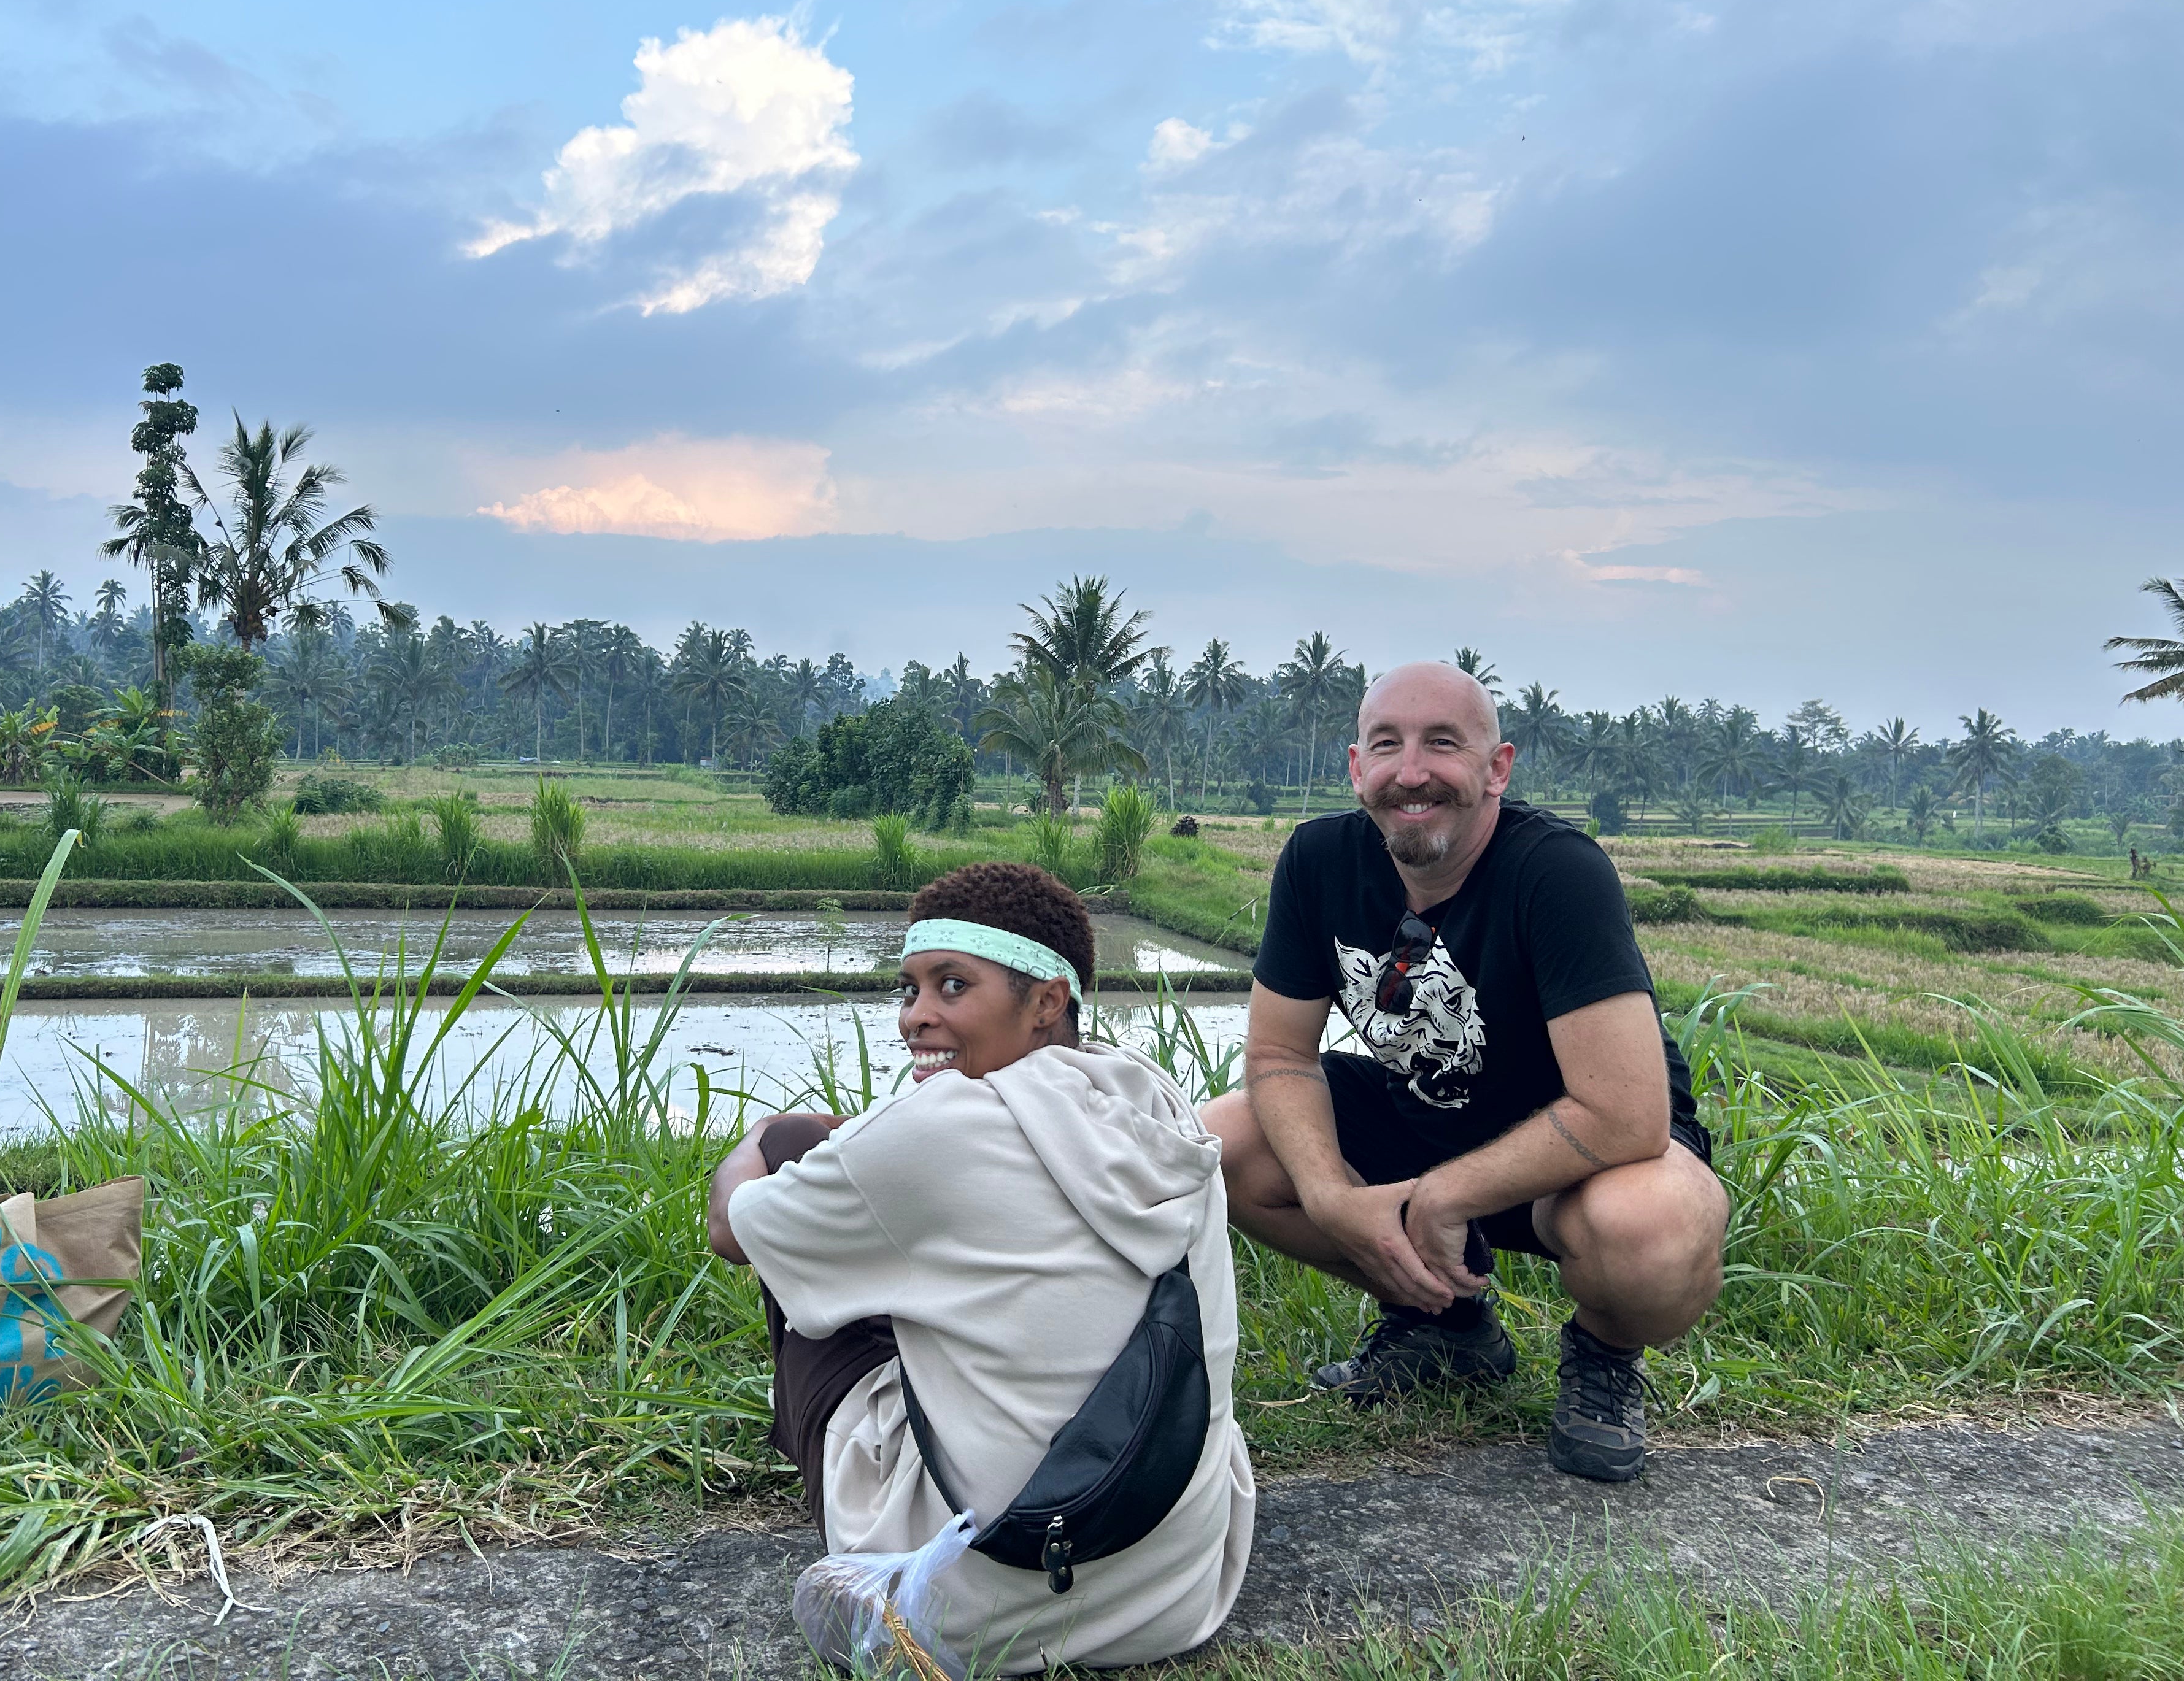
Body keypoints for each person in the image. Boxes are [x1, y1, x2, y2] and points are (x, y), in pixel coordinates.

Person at [708, 861, 1252, 1670]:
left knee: (794, 1151)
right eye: (909, 990)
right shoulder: (1158, 1104)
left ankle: (866, 1516)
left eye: (953, 986)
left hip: (973, 1607)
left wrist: (764, 1142)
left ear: (1044, 1004)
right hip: (1172, 1592)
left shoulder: (941, 1128)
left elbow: (730, 1228)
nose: (915, 1019)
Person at [1202, 663, 1727, 1483]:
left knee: (1650, 1230)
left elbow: (1626, 1113)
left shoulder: (1557, 872)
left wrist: (1444, 1196)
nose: (1412, 772)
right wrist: (1334, 1198)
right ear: (1356, 768)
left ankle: (1606, 1352)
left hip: (1577, 1156)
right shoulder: (1318, 861)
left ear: (1497, 768)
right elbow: (1277, 1056)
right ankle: (1441, 1321)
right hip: (1419, 1119)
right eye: (1389, 746)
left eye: (1442, 744)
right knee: (1219, 1144)